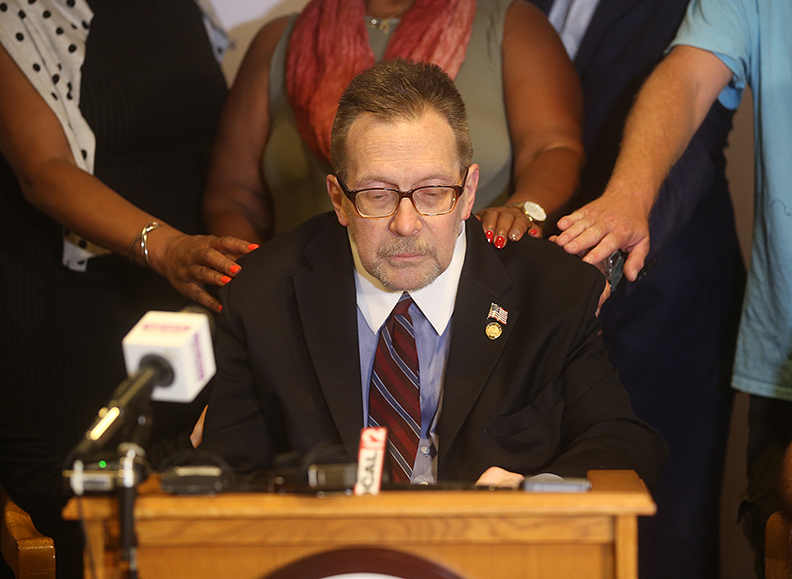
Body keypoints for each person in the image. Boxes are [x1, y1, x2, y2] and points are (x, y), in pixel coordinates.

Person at [198, 59, 667, 488]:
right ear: (339, 199)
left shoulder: (551, 292)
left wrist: (534, 491)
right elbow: (230, 473)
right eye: (378, 194)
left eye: (432, 192)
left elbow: (624, 443)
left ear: (467, 194)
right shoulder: (263, 295)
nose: (406, 224)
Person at [0, 3, 252, 576]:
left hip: (185, 304)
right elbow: (44, 171)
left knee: (192, 508)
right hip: (69, 312)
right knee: (89, 515)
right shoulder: (17, 11)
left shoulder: (184, 8)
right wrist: (165, 248)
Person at [549, 0, 790, 575]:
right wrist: (628, 196)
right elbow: (685, 75)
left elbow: (700, 143)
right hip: (779, 346)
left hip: (668, 303)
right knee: (775, 541)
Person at [204, 0, 583, 252]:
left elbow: (552, 150)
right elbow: (234, 198)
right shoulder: (278, 41)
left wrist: (523, 210)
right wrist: (259, 285)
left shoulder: (511, 23)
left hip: (471, 297)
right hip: (306, 306)